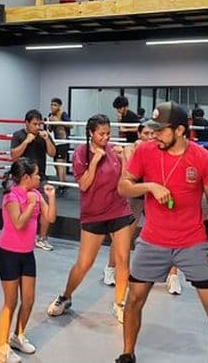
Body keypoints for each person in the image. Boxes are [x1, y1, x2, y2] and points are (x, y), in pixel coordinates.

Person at [115, 102, 208, 363]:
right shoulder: (145, 151)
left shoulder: (204, 159)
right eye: (153, 129)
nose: (155, 134)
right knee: (133, 300)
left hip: (192, 242)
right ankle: (127, 354)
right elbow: (123, 187)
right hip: (152, 240)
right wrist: (149, 187)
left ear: (180, 130)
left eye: (161, 130)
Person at [46, 114, 133, 324]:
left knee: (123, 260)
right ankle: (65, 297)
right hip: (94, 214)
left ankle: (120, 303)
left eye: (108, 134)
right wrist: (95, 161)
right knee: (84, 263)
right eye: (101, 134)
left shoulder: (114, 151)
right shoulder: (81, 153)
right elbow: (84, 185)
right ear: (91, 133)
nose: (105, 138)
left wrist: (125, 159)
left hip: (119, 210)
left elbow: (127, 181)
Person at [0, 158, 57, 363]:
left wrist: (51, 197)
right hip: (8, 253)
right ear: (26, 177)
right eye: (37, 174)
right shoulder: (11, 197)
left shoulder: (37, 194)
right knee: (10, 302)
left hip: (27, 254)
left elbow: (51, 217)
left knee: (28, 299)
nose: (40, 177)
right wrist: (30, 204)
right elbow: (19, 223)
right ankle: (1, 347)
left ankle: (17, 336)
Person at [110, 120, 181, 295]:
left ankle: (173, 277)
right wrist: (126, 154)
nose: (150, 137)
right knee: (123, 234)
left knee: (169, 235)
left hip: (157, 197)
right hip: (137, 194)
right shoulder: (132, 149)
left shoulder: (162, 149)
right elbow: (126, 178)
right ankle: (111, 269)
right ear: (139, 134)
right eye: (146, 134)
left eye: (153, 133)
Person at [10, 110, 56, 251]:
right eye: (34, 124)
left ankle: (42, 238)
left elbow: (53, 153)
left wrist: (47, 138)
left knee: (45, 206)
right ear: (27, 123)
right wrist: (26, 141)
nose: (37, 127)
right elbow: (14, 155)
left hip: (39, 176)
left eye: (39, 124)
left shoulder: (43, 135)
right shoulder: (19, 135)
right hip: (21, 178)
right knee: (17, 207)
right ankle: (15, 235)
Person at [47, 97, 71, 196]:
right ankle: (63, 183)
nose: (53, 106)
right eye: (52, 104)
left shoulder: (63, 114)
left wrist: (57, 120)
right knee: (56, 165)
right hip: (55, 142)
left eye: (55, 105)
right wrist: (50, 123)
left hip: (63, 142)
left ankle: (61, 186)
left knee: (60, 164)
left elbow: (70, 125)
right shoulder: (50, 115)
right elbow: (51, 129)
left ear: (59, 106)